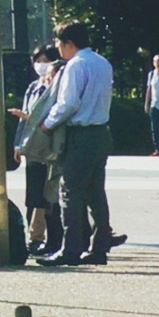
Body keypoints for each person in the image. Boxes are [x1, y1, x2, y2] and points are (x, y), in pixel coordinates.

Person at [39, 21, 117, 266]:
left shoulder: (75, 66)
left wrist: (47, 124)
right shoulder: (102, 63)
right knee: (96, 193)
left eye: (59, 43)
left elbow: (68, 103)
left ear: (69, 43)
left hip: (81, 134)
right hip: (101, 133)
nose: (57, 48)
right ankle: (99, 248)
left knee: (69, 192)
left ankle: (70, 250)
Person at [13, 43, 64, 257]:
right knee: (34, 195)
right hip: (32, 148)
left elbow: (42, 117)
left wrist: (30, 119)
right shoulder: (33, 87)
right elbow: (24, 120)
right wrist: (18, 143)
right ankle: (35, 238)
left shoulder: (58, 89)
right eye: (38, 61)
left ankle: (45, 238)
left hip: (48, 147)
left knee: (48, 196)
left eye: (46, 61)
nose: (41, 66)